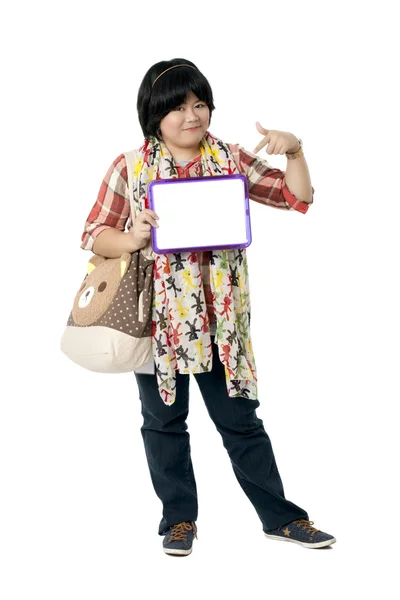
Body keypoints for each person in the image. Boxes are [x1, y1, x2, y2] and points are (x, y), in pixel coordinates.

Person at [80, 58, 336, 556]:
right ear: (154, 115)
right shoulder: (129, 166)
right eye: (177, 107)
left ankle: (281, 519)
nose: (191, 116)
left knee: (242, 423)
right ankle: (179, 519)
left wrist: (297, 150)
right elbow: (93, 234)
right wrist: (132, 237)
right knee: (163, 424)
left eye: (199, 104)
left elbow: (296, 197)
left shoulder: (232, 159)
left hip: (221, 325)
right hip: (157, 325)